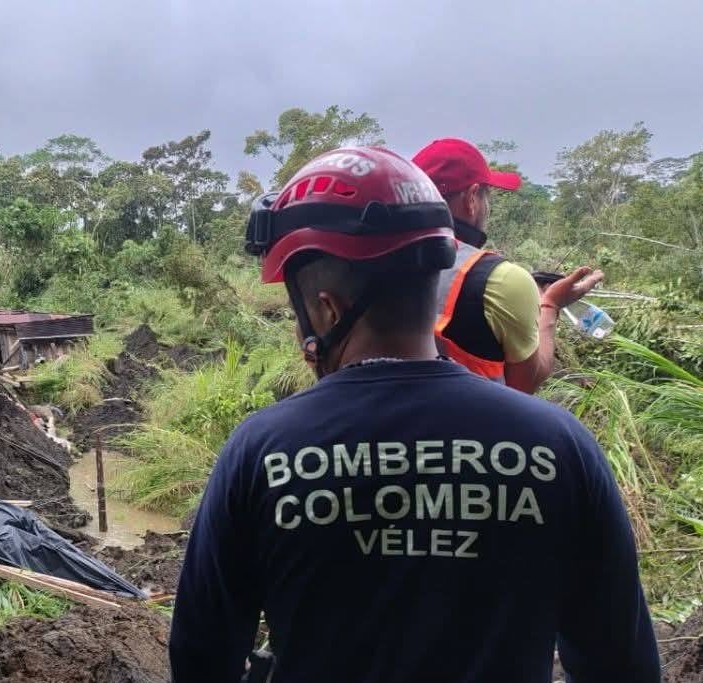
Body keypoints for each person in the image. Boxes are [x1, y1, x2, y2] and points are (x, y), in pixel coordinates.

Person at [169, 146, 658, 683]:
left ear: (326, 309)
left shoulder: (259, 453)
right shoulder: (561, 447)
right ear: (434, 277)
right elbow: (625, 665)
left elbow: (200, 659)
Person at [412, 138, 603, 393]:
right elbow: (524, 384)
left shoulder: (371, 264)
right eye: (486, 196)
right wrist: (551, 305)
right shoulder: (501, 279)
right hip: (471, 427)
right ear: (472, 199)